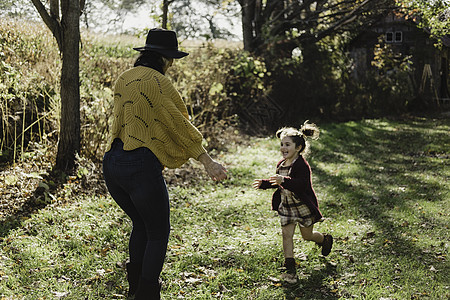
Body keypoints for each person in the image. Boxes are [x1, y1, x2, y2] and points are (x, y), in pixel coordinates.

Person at [102, 28, 227, 300]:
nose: (171, 65)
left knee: (141, 224)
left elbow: (131, 122)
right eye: (171, 59)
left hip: (112, 163)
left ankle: (135, 289)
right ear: (163, 58)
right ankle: (146, 296)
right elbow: (177, 122)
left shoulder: (124, 78)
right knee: (158, 232)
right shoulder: (158, 82)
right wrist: (206, 160)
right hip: (140, 167)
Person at [252, 121, 332, 283]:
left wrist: (284, 180)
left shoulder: (302, 165)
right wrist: (265, 183)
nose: (283, 148)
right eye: (282, 144)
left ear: (298, 148)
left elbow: (301, 185)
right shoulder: (280, 164)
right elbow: (278, 182)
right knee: (286, 235)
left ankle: (324, 239)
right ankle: (289, 264)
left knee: (306, 235)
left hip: (302, 206)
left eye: (287, 144)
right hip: (287, 206)